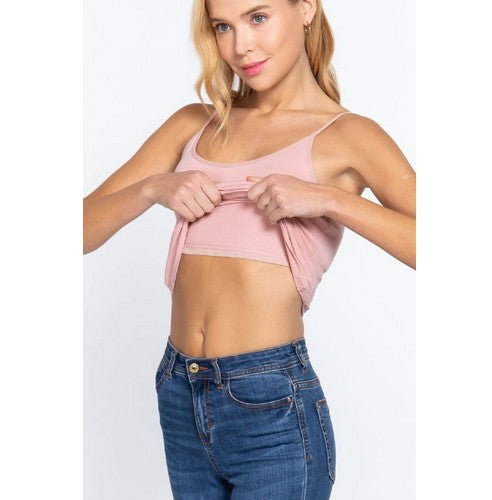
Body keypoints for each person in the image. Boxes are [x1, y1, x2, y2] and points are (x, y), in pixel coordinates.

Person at [83, 0, 415, 497]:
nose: (241, 46)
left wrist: (329, 200)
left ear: (306, 9)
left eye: (258, 18)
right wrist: (152, 189)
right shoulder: (195, 124)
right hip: (179, 389)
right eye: (223, 26)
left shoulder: (350, 135)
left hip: (272, 403)